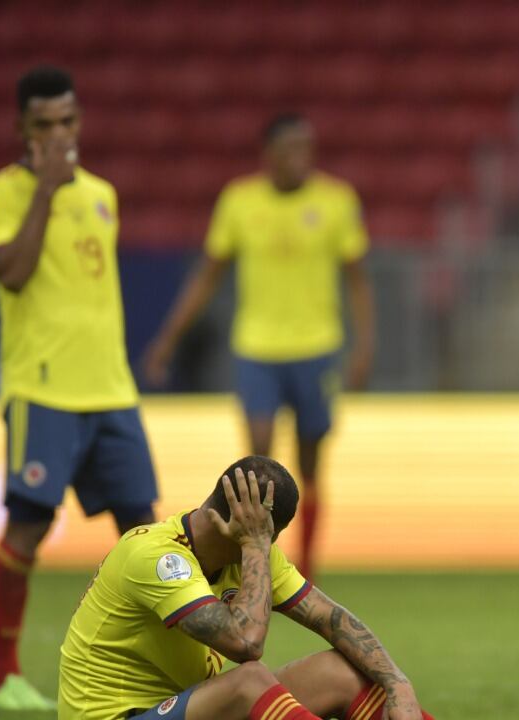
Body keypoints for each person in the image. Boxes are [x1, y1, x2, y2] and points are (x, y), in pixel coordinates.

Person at [0, 65, 158, 711]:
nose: (58, 134)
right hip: (43, 390)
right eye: (44, 123)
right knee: (27, 528)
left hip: (111, 390)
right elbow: (15, 275)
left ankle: (167, 663)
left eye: (68, 122)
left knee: (147, 531)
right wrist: (45, 192)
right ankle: (4, 679)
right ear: (21, 127)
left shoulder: (104, 194)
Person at [144, 113, 375, 579]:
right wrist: (168, 339)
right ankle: (258, 560)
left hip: (317, 349)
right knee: (259, 469)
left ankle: (306, 567)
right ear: (268, 155)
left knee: (311, 467)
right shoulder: (239, 201)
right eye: (290, 149)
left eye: (306, 148)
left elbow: (357, 282)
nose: (300, 159)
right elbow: (208, 275)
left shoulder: (336, 201)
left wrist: (363, 346)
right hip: (257, 350)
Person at [58, 456, 432, 720]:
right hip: (123, 716)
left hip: (186, 707)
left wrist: (397, 682)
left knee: (340, 670)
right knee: (250, 680)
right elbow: (245, 645)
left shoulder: (251, 554)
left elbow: (331, 619)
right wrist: (255, 545)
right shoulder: (155, 556)